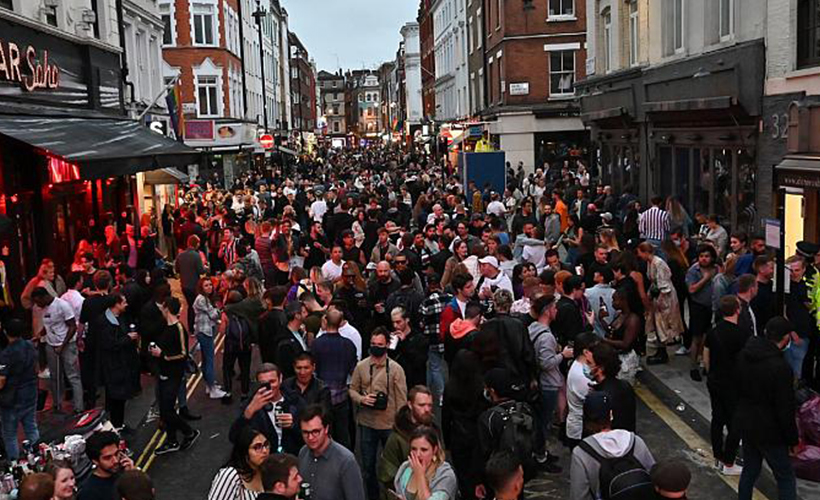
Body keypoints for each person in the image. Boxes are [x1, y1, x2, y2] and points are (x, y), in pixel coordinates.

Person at [735, 317, 799, 500]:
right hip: (771, 432)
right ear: (785, 338)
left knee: (750, 470)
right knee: (785, 477)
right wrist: (792, 440)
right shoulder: (780, 368)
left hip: (747, 424)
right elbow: (785, 408)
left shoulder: (744, 356)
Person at [349, 328, 408, 500]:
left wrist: (400, 427)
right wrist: (361, 400)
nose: (376, 347)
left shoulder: (396, 370)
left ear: (388, 345)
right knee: (368, 468)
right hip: (367, 424)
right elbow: (352, 390)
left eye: (380, 345)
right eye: (373, 344)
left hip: (389, 425)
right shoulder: (361, 366)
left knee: (393, 469)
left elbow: (402, 401)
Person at [569, 391, 656, 500]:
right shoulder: (635, 441)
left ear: (585, 418)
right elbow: (653, 476)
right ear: (611, 414)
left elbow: (579, 495)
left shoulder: (581, 453)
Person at [150, 297, 201, 455]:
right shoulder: (165, 326)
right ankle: (171, 440)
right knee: (166, 409)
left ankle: (189, 432)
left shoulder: (178, 328)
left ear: (166, 308)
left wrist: (162, 354)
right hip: (164, 373)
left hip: (174, 375)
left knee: (167, 411)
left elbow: (183, 354)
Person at [703, 295, 747, 476]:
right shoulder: (742, 334)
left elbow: (706, 356)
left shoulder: (713, 332)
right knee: (735, 422)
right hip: (734, 384)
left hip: (715, 381)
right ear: (737, 310)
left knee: (717, 418)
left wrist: (710, 373)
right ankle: (729, 461)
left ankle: (718, 457)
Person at [528, 293, 572, 469]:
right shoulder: (546, 336)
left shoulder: (533, 327)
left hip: (540, 383)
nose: (556, 311)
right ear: (547, 311)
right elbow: (546, 363)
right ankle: (540, 456)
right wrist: (563, 355)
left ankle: (541, 453)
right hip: (547, 384)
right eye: (554, 308)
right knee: (543, 423)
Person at [30, 287, 83, 414]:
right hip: (51, 344)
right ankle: (57, 404)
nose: (38, 305)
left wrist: (62, 345)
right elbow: (48, 324)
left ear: (44, 297)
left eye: (38, 301)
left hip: (66, 345)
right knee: (55, 376)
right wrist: (39, 335)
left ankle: (78, 407)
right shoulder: (44, 308)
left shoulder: (62, 305)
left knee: (72, 375)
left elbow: (72, 327)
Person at [297, 404, 366, 500]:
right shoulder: (303, 453)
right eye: (305, 432)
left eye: (315, 432)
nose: (310, 437)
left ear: (326, 429)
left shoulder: (346, 461)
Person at [311, 308, 357, 450]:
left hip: (321, 394)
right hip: (341, 394)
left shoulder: (317, 343)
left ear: (325, 320)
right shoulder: (348, 345)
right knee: (343, 433)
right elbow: (352, 369)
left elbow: (313, 367)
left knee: (324, 432)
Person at [230, 363, 300, 455]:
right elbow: (234, 438)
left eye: (272, 381)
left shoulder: (296, 401)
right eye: (264, 383)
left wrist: (294, 426)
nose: (269, 387)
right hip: (264, 460)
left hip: (292, 457)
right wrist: (248, 413)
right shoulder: (248, 406)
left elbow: (308, 436)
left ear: (281, 379)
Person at [378, 386, 436, 495]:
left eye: (430, 405)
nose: (427, 409)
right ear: (410, 405)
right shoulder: (397, 438)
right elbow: (388, 475)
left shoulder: (434, 430)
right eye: (422, 405)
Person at [95, 293, 140, 430]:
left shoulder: (119, 318)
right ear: (116, 304)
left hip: (122, 364)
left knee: (120, 397)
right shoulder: (104, 322)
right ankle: (116, 426)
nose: (126, 304)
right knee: (116, 397)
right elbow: (109, 344)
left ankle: (118, 424)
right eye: (124, 302)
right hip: (113, 366)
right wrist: (128, 338)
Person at [638, 243, 684, 365]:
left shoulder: (659, 263)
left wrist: (658, 300)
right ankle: (660, 350)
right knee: (657, 325)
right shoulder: (650, 262)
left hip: (665, 297)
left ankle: (663, 352)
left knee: (663, 324)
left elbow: (664, 285)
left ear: (644, 252)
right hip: (657, 295)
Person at [0, 319, 39, 460]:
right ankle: (36, 455)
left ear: (5, 332)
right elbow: (36, 369)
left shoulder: (6, 354)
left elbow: (1, 382)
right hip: (30, 393)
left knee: (10, 435)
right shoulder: (30, 345)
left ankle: (15, 464)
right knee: (31, 426)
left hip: (12, 399)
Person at [393, 426, 458, 500]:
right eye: (414, 449)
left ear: (434, 450)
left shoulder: (445, 475)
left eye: (424, 450)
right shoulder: (405, 468)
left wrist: (420, 475)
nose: (418, 454)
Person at [208, 427, 270, 500]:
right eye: (257, 447)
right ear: (245, 452)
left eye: (266, 444)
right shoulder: (230, 476)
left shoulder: (268, 471)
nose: (265, 450)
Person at [685, 245, 717, 381]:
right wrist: (705, 278)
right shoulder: (693, 271)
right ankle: (693, 367)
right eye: (701, 256)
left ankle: (704, 362)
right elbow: (691, 289)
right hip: (698, 306)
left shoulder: (716, 268)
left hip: (712, 306)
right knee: (696, 337)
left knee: (707, 337)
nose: (704, 259)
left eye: (707, 256)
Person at [193, 277, 229, 399]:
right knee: (209, 361)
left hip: (206, 330)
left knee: (206, 359)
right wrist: (219, 309)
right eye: (206, 286)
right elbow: (213, 314)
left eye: (210, 285)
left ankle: (209, 385)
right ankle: (212, 389)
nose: (209, 287)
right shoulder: (201, 299)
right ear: (201, 288)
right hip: (204, 332)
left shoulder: (205, 298)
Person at [590, 343, 636, 432]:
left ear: (600, 368)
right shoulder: (625, 385)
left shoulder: (601, 396)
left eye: (589, 363)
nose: (587, 366)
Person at [78, 431, 136, 500]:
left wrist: (132, 476)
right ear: (95, 461)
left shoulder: (124, 471)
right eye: (108, 458)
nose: (115, 461)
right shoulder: (89, 493)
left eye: (116, 454)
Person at [566, 332, 600, 448]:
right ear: (586, 352)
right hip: (580, 430)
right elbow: (596, 398)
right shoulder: (580, 375)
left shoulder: (581, 367)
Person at [390, 307, 429, 389]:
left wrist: (404, 343)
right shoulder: (393, 337)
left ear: (407, 320)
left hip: (414, 383)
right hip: (396, 382)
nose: (395, 326)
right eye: (393, 322)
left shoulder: (419, 338)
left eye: (398, 322)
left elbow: (419, 361)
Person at [175, 235, 207, 330]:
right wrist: (205, 267)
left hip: (184, 285)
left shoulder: (180, 255)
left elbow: (177, 269)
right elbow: (201, 271)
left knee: (190, 305)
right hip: (194, 285)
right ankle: (196, 326)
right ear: (196, 244)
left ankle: (191, 327)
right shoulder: (196, 256)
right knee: (195, 306)